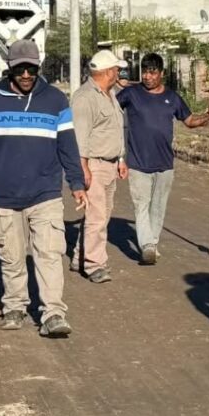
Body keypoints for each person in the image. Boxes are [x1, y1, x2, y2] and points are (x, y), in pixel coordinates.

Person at [0, 39, 87, 338]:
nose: (26, 75)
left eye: (31, 68)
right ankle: (14, 306)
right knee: (12, 255)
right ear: (10, 69)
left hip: (45, 191)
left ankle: (53, 313)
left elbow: (68, 145)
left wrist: (77, 183)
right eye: (20, 69)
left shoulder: (55, 99)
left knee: (49, 254)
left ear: (38, 67)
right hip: (4, 193)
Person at [117, 53, 209, 264]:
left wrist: (208, 117)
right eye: (144, 72)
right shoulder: (131, 94)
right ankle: (147, 245)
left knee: (158, 207)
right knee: (141, 205)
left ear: (161, 73)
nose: (147, 77)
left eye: (152, 72)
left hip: (164, 163)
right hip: (137, 163)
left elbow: (189, 121)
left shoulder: (172, 98)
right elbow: (110, 108)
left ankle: (152, 243)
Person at [70, 50, 129, 283]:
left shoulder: (110, 94)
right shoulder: (85, 98)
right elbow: (80, 137)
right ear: (107, 72)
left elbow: (115, 130)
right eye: (116, 69)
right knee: (97, 217)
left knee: (100, 215)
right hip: (93, 164)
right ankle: (94, 265)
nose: (118, 73)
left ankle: (80, 257)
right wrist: (83, 168)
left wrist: (121, 159)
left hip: (110, 164)